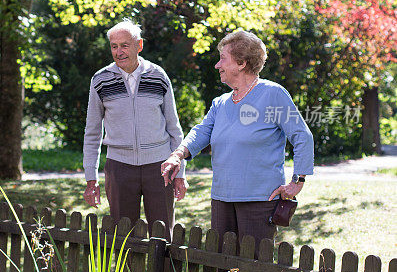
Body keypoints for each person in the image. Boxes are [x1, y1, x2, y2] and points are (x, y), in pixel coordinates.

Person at [161, 29, 313, 249]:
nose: (217, 65)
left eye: (223, 58)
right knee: (224, 268)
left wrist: (297, 181)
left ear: (241, 63)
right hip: (222, 198)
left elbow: (302, 136)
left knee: (254, 271)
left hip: (260, 200)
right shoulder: (220, 103)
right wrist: (177, 155)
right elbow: (202, 131)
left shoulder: (273, 94)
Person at [83, 20, 187, 238]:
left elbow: (174, 127)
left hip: (161, 168)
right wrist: (90, 178)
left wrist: (181, 174)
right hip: (119, 168)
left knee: (163, 236)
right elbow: (92, 132)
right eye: (114, 46)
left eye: (124, 45)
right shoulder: (100, 80)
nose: (118, 52)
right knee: (124, 238)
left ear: (139, 45)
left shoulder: (158, 76)